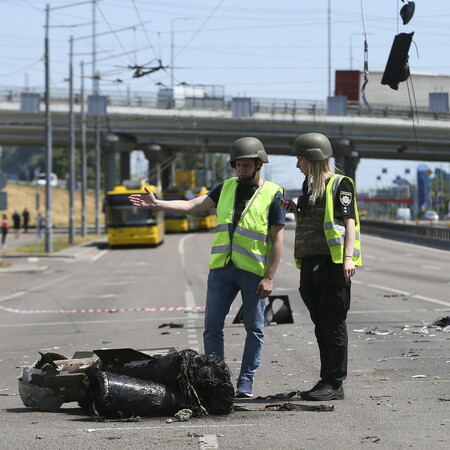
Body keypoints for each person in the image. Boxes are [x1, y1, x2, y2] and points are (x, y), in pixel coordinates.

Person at [129, 137, 286, 398]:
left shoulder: (273, 193)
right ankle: (217, 379)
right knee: (212, 327)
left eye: (246, 165)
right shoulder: (223, 188)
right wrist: (158, 204)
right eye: (237, 165)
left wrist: (269, 276)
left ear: (259, 164)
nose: (241, 170)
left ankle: (245, 381)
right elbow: (192, 205)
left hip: (252, 271)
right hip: (222, 270)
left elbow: (278, 238)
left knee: (254, 328)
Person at [281, 132, 362, 401]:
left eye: (300, 159)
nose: (297, 165)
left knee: (332, 323)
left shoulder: (341, 184)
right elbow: (314, 215)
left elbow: (348, 223)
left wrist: (348, 259)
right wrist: (295, 207)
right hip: (311, 261)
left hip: (333, 263)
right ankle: (326, 379)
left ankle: (334, 382)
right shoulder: (309, 185)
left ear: (313, 158)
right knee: (320, 324)